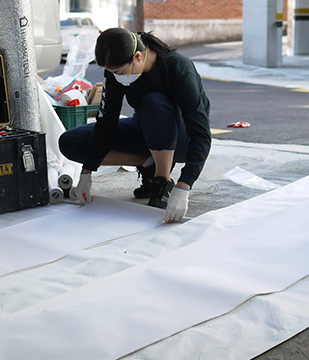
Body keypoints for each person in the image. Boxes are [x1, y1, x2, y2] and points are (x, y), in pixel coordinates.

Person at [59, 28, 211, 223]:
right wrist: (87, 172)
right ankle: (149, 164)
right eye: (111, 72)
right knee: (70, 142)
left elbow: (201, 134)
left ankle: (162, 181)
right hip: (149, 131)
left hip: (182, 140)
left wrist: (184, 186)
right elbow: (106, 122)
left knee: (153, 102)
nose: (116, 76)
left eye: (119, 72)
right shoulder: (116, 73)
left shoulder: (177, 68)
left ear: (137, 56)